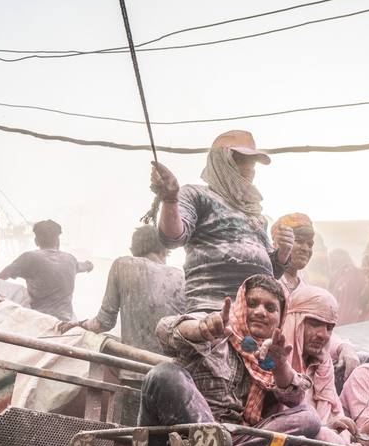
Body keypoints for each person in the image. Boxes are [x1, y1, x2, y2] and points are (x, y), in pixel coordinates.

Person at [145, 274, 318, 446]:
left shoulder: (271, 355)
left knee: (309, 417)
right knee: (164, 374)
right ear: (241, 305)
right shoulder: (218, 327)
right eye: (252, 303)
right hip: (185, 442)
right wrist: (201, 329)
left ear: (280, 319)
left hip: (237, 442)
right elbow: (165, 329)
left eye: (270, 308)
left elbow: (295, 397)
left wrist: (280, 364)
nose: (260, 312)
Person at [148, 129, 295, 314]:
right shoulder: (197, 195)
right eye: (241, 160)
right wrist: (170, 200)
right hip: (211, 312)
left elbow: (270, 272)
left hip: (254, 318)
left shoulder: (255, 213)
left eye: (252, 162)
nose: (250, 168)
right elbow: (173, 237)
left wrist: (283, 252)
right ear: (221, 162)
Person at [72, 224, 182, 355]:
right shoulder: (181, 276)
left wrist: (80, 325)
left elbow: (104, 323)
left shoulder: (122, 265)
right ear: (165, 251)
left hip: (134, 366)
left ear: (133, 251)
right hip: (173, 370)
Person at [278, 283, 357, 444]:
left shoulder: (323, 365)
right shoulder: (274, 360)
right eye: (314, 324)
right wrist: (326, 428)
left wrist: (352, 431)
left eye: (329, 327)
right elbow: (289, 421)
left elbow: (335, 416)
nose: (323, 335)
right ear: (294, 322)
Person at [0, 220, 93, 322]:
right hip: (66, 318)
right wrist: (88, 265)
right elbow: (84, 266)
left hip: (38, 318)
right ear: (57, 240)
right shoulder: (70, 259)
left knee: (13, 291)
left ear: (36, 241)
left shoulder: (29, 258)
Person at [271, 212, 315, 293]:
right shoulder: (266, 278)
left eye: (310, 244)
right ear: (276, 244)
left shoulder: (305, 287)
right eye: (299, 241)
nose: (305, 249)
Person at [329, 248, 369, 325]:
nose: (330, 265)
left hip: (345, 321)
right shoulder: (357, 273)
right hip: (359, 320)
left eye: (332, 261)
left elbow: (343, 304)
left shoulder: (345, 276)